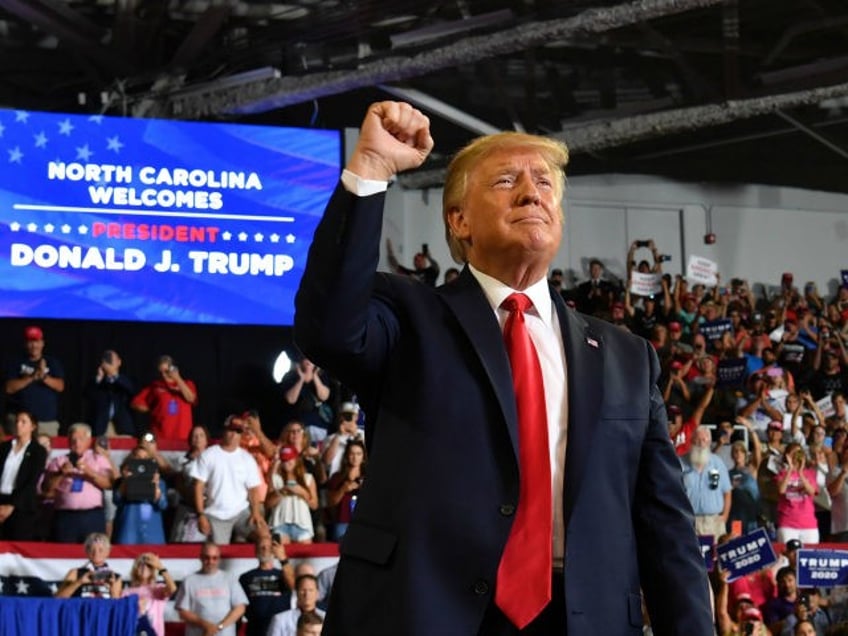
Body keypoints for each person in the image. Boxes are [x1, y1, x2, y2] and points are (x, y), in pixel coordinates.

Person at [293, 101, 713, 634]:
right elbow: (328, 328)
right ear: (460, 220)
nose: (531, 192)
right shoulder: (410, 315)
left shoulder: (627, 357)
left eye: (543, 183)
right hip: (426, 612)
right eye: (506, 181)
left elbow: (665, 528)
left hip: (584, 618)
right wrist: (371, 169)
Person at [191, 415, 267, 544]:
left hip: (241, 512)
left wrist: (255, 513)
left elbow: (253, 489)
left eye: (238, 432)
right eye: (231, 430)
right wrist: (201, 514)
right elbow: (198, 486)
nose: (233, 435)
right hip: (216, 514)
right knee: (217, 551)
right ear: (224, 430)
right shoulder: (209, 455)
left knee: (264, 537)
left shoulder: (247, 458)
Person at [40, 421, 116, 542]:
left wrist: (89, 472)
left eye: (81, 439)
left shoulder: (98, 459)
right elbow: (46, 489)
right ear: (68, 441)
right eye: (73, 439)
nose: (77, 443)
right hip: (65, 517)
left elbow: (109, 484)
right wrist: (60, 473)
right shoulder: (58, 461)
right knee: (64, 555)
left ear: (89, 440)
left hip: (92, 517)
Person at [175, 540, 248, 636]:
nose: (210, 561)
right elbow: (183, 612)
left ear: (219, 559)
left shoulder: (230, 579)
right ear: (200, 557)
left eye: (214, 558)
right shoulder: (189, 581)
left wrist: (219, 627)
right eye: (207, 557)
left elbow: (240, 608)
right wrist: (205, 625)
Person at [4, 325, 65, 436]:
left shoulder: (52, 362)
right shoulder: (16, 362)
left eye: (37, 341)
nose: (34, 346)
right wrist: (32, 377)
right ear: (25, 344)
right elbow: (9, 388)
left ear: (42, 343)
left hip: (46, 422)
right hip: (19, 421)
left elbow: (60, 386)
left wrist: (44, 377)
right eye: (30, 342)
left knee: (45, 452)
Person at [0, 410, 48, 540]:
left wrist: (12, 505)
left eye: (23, 422)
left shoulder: (38, 451)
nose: (18, 425)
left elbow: (31, 481)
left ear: (33, 426)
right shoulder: (4, 447)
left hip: (21, 507)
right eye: (17, 421)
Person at [238, 533, 296, 636]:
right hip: (255, 629)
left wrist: (282, 558)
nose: (265, 550)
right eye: (262, 547)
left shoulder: (284, 574)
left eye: (269, 547)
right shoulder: (245, 577)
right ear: (256, 551)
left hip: (281, 629)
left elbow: (294, 585)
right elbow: (240, 606)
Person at [131, 354, 197, 441]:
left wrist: (177, 378)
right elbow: (135, 403)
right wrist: (154, 409)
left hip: (183, 437)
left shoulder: (188, 384)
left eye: (166, 371)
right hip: (160, 436)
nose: (163, 375)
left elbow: (190, 398)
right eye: (160, 372)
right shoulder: (155, 386)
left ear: (174, 369)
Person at [111, 445, 169, 544]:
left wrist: (156, 485)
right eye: (138, 457)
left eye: (145, 458)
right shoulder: (120, 482)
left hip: (152, 533)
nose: (141, 461)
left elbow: (163, 504)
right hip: (128, 532)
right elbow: (117, 499)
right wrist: (126, 481)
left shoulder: (160, 482)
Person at [682, 425, 732, 538]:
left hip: (714, 522)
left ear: (709, 442)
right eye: (698, 439)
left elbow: (727, 492)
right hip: (689, 521)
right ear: (692, 440)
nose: (701, 443)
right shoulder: (681, 463)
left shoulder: (717, 463)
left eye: (704, 439)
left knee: (716, 555)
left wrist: (724, 516)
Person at [266, 445, 318, 544]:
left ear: (296, 460)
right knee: (280, 555)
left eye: (290, 459)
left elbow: (314, 505)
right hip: (280, 523)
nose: (287, 463)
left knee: (304, 558)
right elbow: (268, 504)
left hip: (302, 524)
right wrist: (281, 492)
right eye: (284, 460)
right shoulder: (276, 479)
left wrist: (302, 492)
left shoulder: (308, 478)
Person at [122, 552, 178, 636]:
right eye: (141, 564)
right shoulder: (126, 592)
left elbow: (172, 589)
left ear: (152, 569)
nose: (144, 567)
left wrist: (160, 567)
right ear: (135, 569)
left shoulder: (157, 589)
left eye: (148, 565)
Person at [85, 349, 137, 437]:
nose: (108, 362)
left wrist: (113, 374)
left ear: (119, 362)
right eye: (106, 359)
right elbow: (87, 396)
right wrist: (99, 378)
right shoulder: (97, 382)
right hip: (102, 427)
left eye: (110, 359)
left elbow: (131, 391)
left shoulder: (126, 380)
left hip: (122, 426)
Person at [55, 532, 122, 599]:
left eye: (100, 550)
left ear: (108, 552)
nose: (96, 553)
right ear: (86, 551)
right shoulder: (75, 573)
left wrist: (112, 586)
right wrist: (79, 582)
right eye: (92, 550)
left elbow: (117, 606)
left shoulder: (114, 577)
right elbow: (58, 598)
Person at [324, 439, 366, 542]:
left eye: (358, 454)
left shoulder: (369, 478)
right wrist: (343, 489)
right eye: (352, 454)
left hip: (364, 523)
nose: (355, 457)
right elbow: (330, 503)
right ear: (347, 456)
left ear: (363, 457)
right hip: (342, 522)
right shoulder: (337, 478)